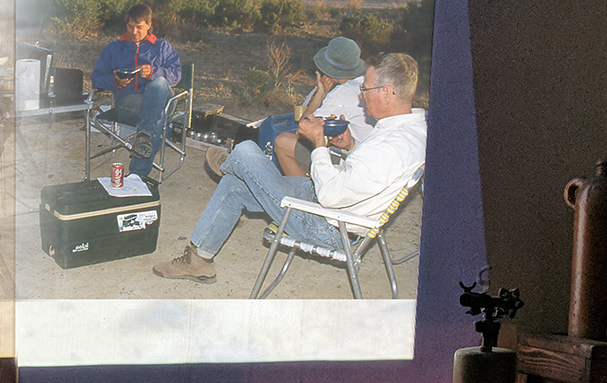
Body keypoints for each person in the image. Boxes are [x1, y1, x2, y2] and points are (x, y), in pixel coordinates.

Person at [154, 52, 426, 286]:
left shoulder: (389, 147)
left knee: (246, 151)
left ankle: (230, 163)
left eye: (365, 89)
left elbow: (330, 195)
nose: (362, 96)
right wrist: (351, 145)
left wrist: (319, 145)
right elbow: (365, 175)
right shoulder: (411, 130)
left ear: (387, 93)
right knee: (234, 186)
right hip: (335, 206)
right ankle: (199, 260)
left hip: (327, 224)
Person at [206, 36, 371, 180]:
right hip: (361, 156)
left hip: (347, 162)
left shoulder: (341, 94)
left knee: (283, 142)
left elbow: (304, 127)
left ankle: (296, 192)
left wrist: (320, 94)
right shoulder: (363, 84)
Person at [89, 4, 182, 182]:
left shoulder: (162, 47)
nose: (134, 32)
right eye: (130, 26)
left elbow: (176, 74)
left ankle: (142, 138)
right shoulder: (114, 49)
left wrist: (154, 72)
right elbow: (96, 78)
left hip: (164, 101)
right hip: (129, 104)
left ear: (149, 25)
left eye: (139, 27)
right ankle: (138, 172)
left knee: (159, 83)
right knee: (158, 117)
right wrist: (114, 81)